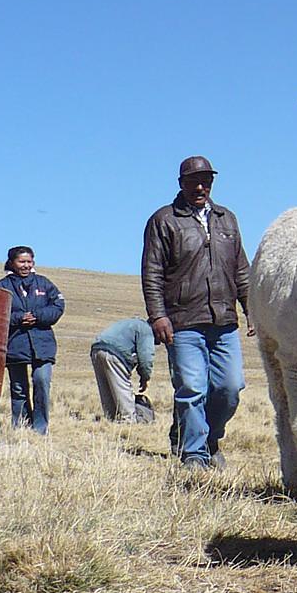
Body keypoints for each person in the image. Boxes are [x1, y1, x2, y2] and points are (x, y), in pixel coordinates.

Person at [141, 156, 251, 470]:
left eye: (206, 181)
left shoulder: (226, 219)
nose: (200, 187)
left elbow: (241, 270)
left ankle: (208, 438)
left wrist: (252, 308)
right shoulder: (164, 220)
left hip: (224, 321)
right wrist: (158, 315)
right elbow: (152, 272)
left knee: (229, 389)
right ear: (181, 184)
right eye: (193, 181)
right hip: (182, 321)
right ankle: (194, 454)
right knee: (192, 389)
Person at [0, 246, 64, 434]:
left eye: (29, 262)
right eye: (21, 262)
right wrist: (18, 318)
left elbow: (58, 306)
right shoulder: (2, 287)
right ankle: (21, 426)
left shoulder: (44, 284)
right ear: (12, 263)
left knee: (41, 381)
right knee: (18, 388)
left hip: (42, 344)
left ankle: (40, 428)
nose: (26, 265)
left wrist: (38, 316)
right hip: (15, 344)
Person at [90, 317, 158, 424]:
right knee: (121, 388)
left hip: (97, 349)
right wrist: (145, 378)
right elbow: (146, 358)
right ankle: (128, 422)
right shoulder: (147, 330)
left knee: (106, 389)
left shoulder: (134, 324)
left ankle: (111, 419)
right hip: (114, 354)